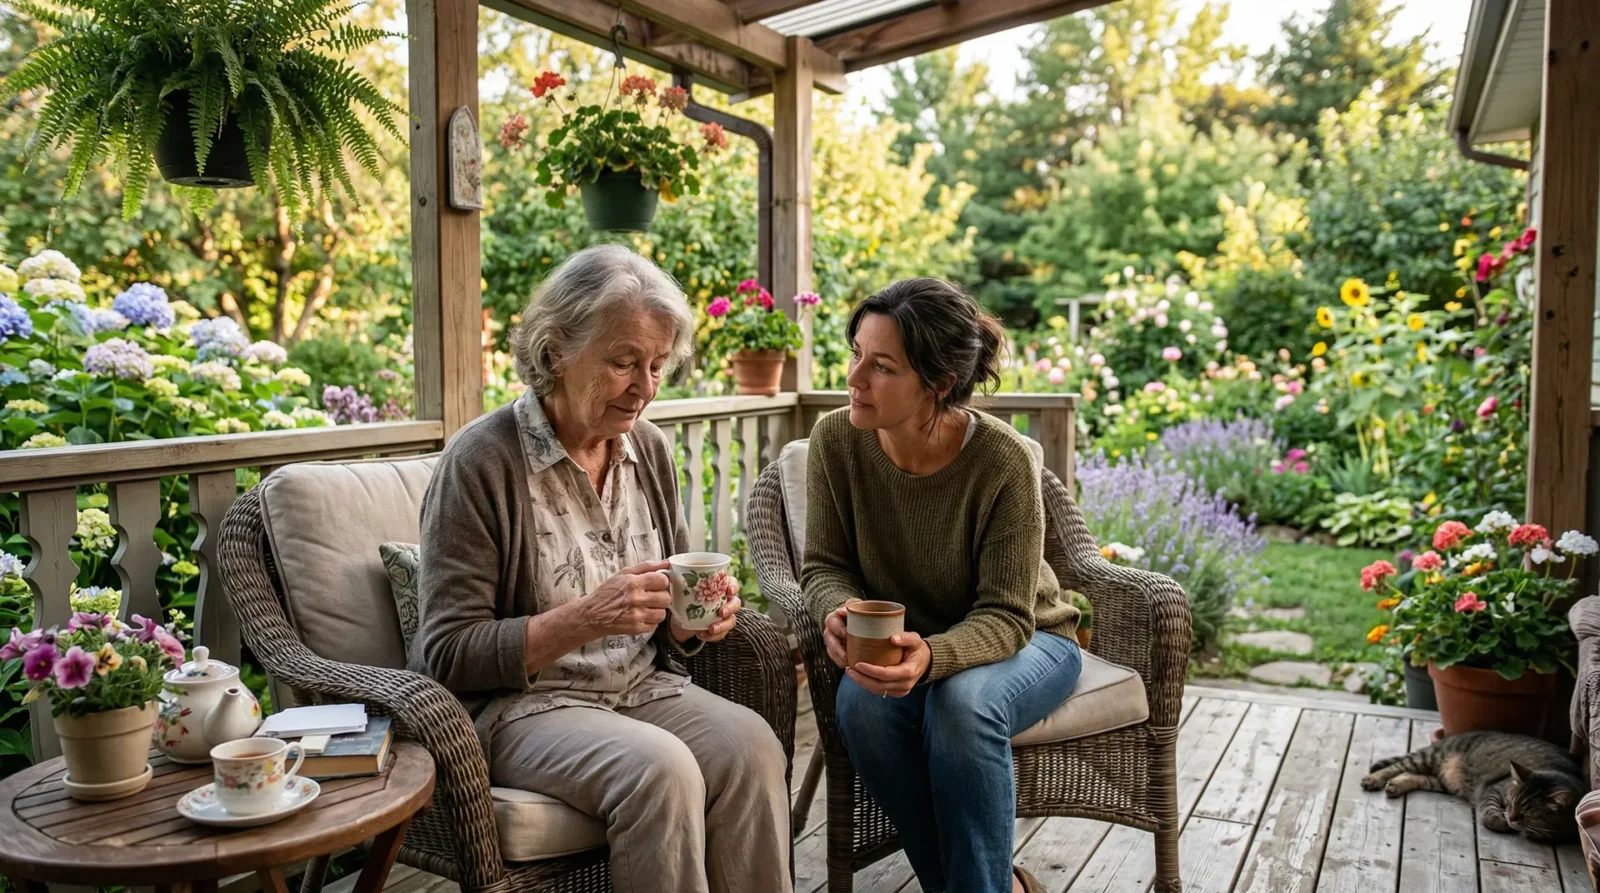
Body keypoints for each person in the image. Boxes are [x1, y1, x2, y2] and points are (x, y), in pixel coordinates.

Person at [410, 244, 790, 893]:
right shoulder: (481, 462)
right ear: (555, 351)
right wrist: (585, 618)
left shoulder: (649, 449)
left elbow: (667, 612)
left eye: (657, 365)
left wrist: (692, 623)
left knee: (752, 746)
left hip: (641, 688)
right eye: (623, 362)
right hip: (524, 708)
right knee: (661, 770)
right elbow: (445, 653)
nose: (644, 387)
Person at [803, 277, 1083, 893]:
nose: (854, 378)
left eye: (882, 367)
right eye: (856, 355)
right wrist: (837, 610)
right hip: (907, 644)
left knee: (962, 705)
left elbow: (1008, 616)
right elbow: (823, 565)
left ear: (939, 383)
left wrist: (932, 657)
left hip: (1031, 640)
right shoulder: (836, 440)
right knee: (861, 707)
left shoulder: (1003, 459)